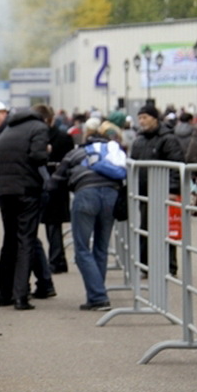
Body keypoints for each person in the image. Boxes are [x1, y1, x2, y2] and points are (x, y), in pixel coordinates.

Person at [50, 119, 126, 311]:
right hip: (111, 196)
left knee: (82, 250)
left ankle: (98, 296)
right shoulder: (111, 152)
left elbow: (54, 182)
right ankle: (95, 295)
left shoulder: (76, 153)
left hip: (86, 195)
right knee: (101, 248)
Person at [0, 104, 50, 310]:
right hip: (26, 190)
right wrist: (47, 151)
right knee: (26, 240)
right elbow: (37, 157)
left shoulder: (7, 130)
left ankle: (3, 295)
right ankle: (21, 297)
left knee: (9, 241)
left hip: (5, 192)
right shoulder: (38, 128)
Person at [130, 104, 184, 276]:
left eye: (145, 117)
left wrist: (173, 189)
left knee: (165, 229)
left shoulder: (168, 139)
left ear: (154, 118)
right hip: (144, 192)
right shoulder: (139, 140)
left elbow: (176, 164)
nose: (142, 121)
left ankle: (169, 266)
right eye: (140, 118)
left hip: (162, 192)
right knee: (145, 229)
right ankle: (146, 266)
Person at [37, 104, 74, 275]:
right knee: (53, 226)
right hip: (57, 185)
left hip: (53, 185)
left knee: (52, 225)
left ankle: (56, 260)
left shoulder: (53, 138)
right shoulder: (64, 137)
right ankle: (58, 260)